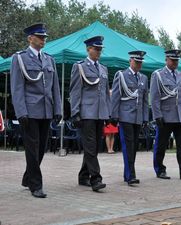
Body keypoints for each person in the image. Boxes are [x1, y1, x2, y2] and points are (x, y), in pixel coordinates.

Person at [10, 23, 62, 198]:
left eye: (44, 37)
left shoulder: (49, 59)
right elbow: (17, 87)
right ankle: (36, 185)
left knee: (42, 148)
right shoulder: (20, 58)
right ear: (30, 38)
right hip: (30, 111)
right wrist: (21, 111)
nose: (43, 40)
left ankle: (27, 177)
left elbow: (55, 88)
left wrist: (58, 108)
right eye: (40, 37)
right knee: (32, 148)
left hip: (46, 110)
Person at [69, 36, 110, 192]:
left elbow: (106, 93)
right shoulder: (79, 67)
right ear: (88, 49)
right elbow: (75, 91)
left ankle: (83, 175)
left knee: (94, 147)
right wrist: (75, 113)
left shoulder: (103, 68)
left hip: (100, 113)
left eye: (100, 49)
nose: (98, 52)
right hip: (86, 113)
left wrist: (108, 113)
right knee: (91, 146)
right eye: (96, 49)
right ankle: (96, 179)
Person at [150, 49, 181, 181]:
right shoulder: (158, 75)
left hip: (180, 116)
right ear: (166, 60)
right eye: (172, 60)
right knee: (161, 144)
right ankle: (160, 169)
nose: (175, 62)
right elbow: (154, 98)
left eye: (176, 60)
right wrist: (157, 116)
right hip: (165, 116)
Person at [111, 50, 149, 186]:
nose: (139, 64)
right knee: (128, 146)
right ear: (130, 61)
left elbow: (145, 100)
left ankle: (128, 173)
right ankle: (130, 175)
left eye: (140, 62)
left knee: (134, 146)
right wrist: (114, 115)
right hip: (125, 116)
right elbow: (115, 96)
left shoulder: (143, 78)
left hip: (137, 117)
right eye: (136, 62)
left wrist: (145, 118)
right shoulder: (121, 75)